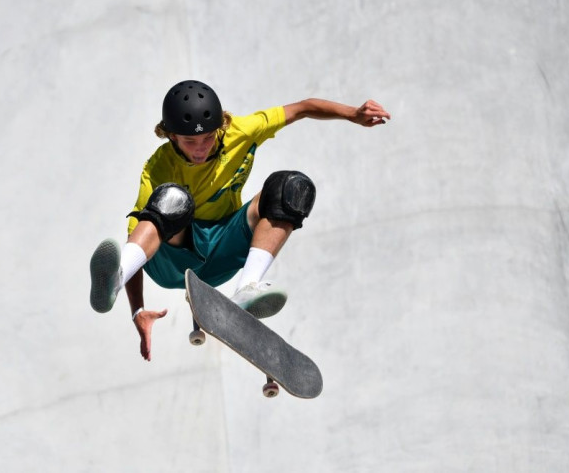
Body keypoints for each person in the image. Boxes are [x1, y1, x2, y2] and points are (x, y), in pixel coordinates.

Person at [90, 80, 390, 361]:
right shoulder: (158, 166)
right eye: (189, 141)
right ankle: (116, 278)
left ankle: (246, 291)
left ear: (219, 127)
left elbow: (303, 107)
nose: (200, 148)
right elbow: (138, 238)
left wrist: (353, 113)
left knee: (290, 187)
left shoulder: (241, 131)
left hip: (221, 251)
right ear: (171, 136)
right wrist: (136, 309)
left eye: (208, 138)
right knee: (173, 199)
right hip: (170, 259)